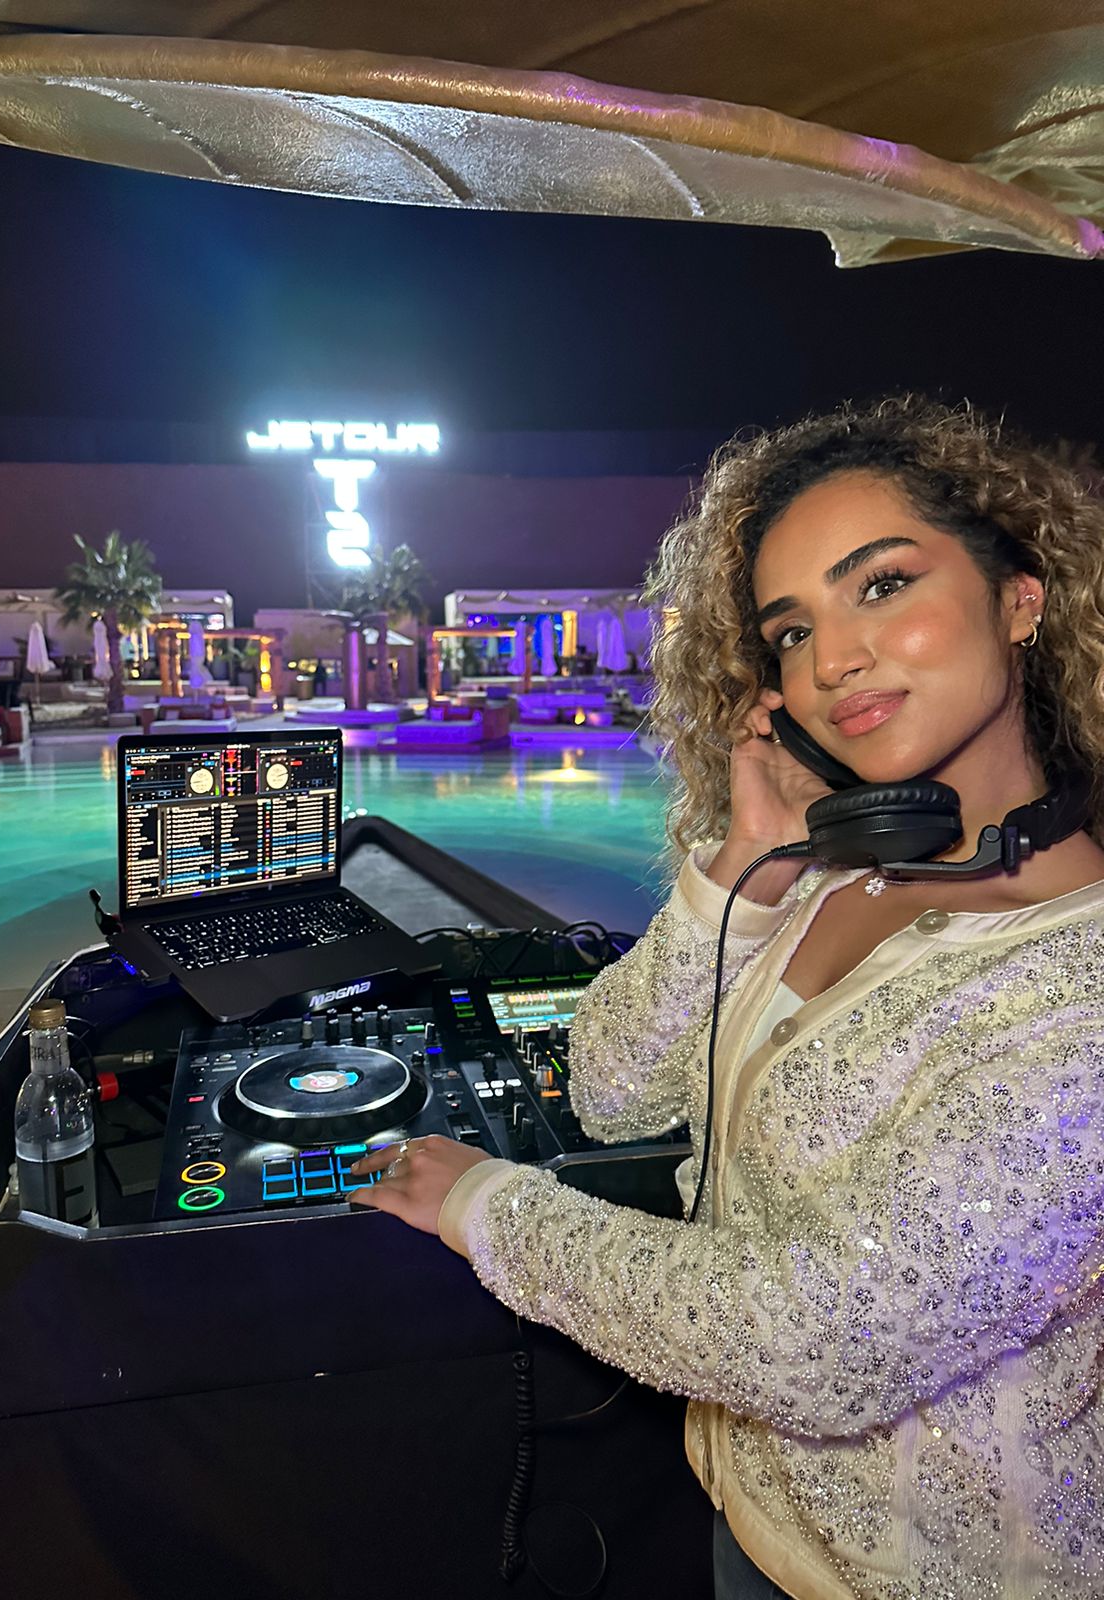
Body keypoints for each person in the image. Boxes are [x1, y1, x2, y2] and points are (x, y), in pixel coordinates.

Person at [350, 396, 1104, 1599]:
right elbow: (610, 1088)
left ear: (1022, 597)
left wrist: (488, 1207)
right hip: (748, 1521)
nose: (832, 661)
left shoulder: (1079, 995)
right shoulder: (830, 875)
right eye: (792, 631)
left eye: (882, 585)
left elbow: (813, 1340)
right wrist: (747, 859)